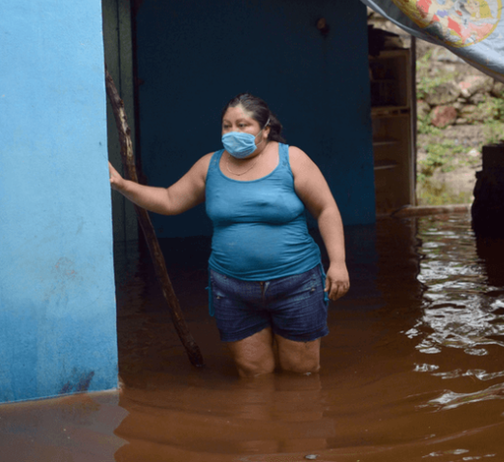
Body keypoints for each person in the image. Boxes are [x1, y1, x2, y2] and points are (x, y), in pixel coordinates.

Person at [108, 93, 350, 377]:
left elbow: (326, 209)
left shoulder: (292, 159)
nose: (232, 132)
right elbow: (170, 199)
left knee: (302, 372)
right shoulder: (209, 166)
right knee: (253, 375)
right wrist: (122, 185)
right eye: (226, 125)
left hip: (296, 283)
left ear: (266, 129)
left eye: (242, 125)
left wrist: (338, 262)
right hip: (233, 289)